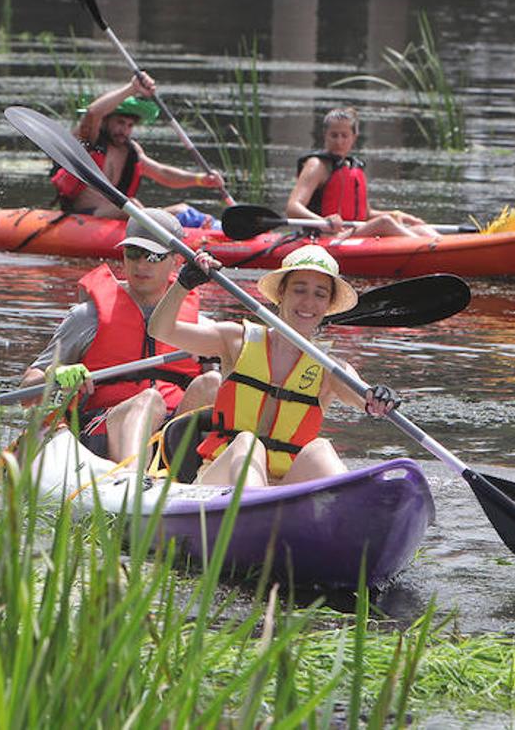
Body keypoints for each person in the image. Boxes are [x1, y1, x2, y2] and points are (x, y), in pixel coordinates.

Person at [146, 243, 401, 487]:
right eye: (299, 289)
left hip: (284, 488)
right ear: (281, 293)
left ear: (328, 305)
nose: (308, 303)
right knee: (248, 444)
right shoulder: (235, 340)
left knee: (320, 449)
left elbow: (364, 398)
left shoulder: (331, 369)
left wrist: (379, 397)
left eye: (320, 294)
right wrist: (183, 284)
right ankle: (251, 510)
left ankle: (355, 510)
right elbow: (160, 330)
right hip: (220, 482)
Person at [20, 208, 220, 462]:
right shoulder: (86, 317)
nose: (140, 264)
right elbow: (26, 395)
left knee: (212, 382)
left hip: (172, 434)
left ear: (177, 261)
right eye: (133, 253)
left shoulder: (198, 326)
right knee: (148, 401)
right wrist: (52, 375)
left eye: (153, 256)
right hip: (102, 429)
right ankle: (131, 481)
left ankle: (207, 472)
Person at [51, 72, 225, 221]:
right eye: (120, 123)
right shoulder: (89, 141)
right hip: (85, 215)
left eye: (129, 126)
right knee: (131, 204)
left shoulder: (130, 151)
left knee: (182, 210)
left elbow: (162, 173)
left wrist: (199, 179)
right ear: (106, 121)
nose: (124, 130)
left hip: (119, 215)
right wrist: (132, 88)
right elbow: (93, 113)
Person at [285, 106, 439, 238]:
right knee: (384, 222)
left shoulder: (352, 167)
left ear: (354, 137)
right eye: (334, 135)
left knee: (420, 228)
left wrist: (401, 215)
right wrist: (323, 222)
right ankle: (428, 249)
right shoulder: (317, 165)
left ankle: (440, 244)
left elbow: (366, 214)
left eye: (344, 136)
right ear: (325, 135)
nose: (339, 141)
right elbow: (293, 207)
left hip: (351, 233)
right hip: (326, 236)